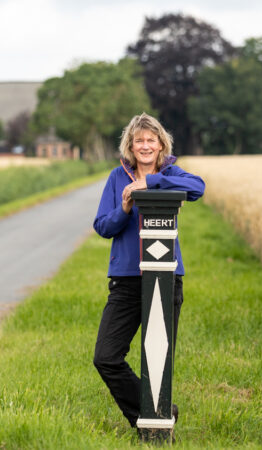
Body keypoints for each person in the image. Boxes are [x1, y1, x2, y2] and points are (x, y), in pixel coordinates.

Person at [92, 112, 205, 429]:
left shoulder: (172, 173)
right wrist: (125, 207)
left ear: (160, 144)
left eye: (150, 140)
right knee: (106, 357)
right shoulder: (117, 177)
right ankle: (152, 415)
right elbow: (103, 226)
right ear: (130, 144)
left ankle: (155, 425)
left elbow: (199, 187)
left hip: (167, 278)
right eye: (138, 140)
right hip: (126, 282)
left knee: (159, 359)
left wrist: (152, 183)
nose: (144, 146)